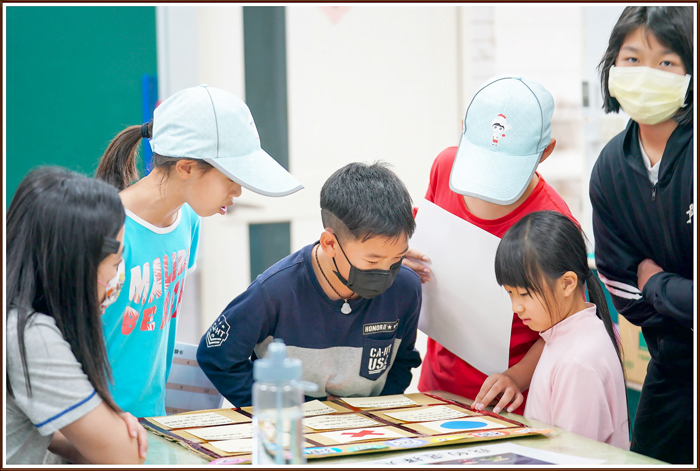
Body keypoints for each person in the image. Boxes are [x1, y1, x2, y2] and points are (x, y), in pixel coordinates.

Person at [95, 84, 303, 418]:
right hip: (97, 432)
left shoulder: (188, 220)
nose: (237, 190)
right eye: (231, 176)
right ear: (187, 168)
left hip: (153, 422)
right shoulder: (106, 233)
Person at [403, 75, 575, 415]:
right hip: (436, 387)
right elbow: (425, 235)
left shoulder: (552, 222)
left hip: (507, 403)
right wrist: (402, 255)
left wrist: (517, 377)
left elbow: (566, 324)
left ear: (546, 152)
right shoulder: (445, 167)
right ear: (464, 130)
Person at [197, 162, 422, 407]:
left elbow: (402, 363)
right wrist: (294, 406)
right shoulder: (275, 291)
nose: (385, 272)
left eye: (397, 258)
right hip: (293, 425)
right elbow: (217, 357)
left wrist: (371, 411)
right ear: (330, 244)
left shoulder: (405, 289)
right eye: (372, 260)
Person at [590, 6, 693, 464]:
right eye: (632, 59)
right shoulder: (611, 168)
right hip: (670, 367)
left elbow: (641, 285)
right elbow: (619, 286)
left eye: (667, 62)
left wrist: (656, 284)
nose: (646, 74)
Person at [6, 167, 148, 464]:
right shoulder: (30, 335)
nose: (116, 280)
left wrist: (93, 436)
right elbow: (125, 456)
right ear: (78, 267)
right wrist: (115, 428)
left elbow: (33, 423)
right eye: (115, 263)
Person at [492, 210, 629, 449]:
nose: (516, 307)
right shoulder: (572, 336)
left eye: (524, 293)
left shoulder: (577, 361)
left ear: (567, 283)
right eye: (510, 293)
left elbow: (569, 456)